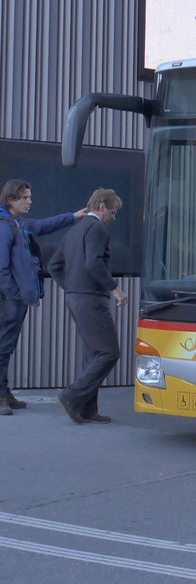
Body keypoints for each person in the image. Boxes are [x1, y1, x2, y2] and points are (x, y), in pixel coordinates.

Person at [0, 180, 86, 416]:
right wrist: (13, 294)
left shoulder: (19, 223)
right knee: (3, 347)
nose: (30, 201)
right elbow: (1, 268)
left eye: (29, 197)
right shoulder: (5, 226)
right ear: (10, 200)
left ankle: (4, 393)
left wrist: (74, 216)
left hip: (17, 298)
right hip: (11, 299)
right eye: (24, 198)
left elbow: (44, 225)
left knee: (7, 346)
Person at [47, 188, 127, 424]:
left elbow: (53, 266)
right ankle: (71, 396)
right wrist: (115, 289)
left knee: (94, 353)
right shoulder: (97, 228)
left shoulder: (75, 230)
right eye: (113, 212)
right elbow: (94, 262)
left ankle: (87, 410)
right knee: (108, 352)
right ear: (101, 207)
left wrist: (72, 287)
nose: (114, 217)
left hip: (76, 297)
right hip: (91, 298)